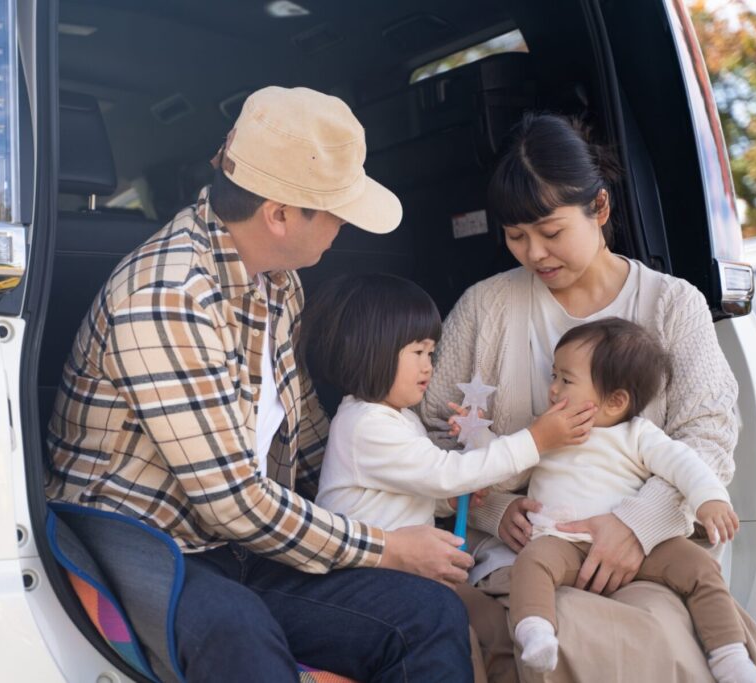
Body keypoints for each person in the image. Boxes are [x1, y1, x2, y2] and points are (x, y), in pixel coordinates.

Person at [47, 86, 475, 682]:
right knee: (239, 633)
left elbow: (310, 436)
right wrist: (386, 547)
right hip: (146, 543)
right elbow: (234, 501)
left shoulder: (279, 283)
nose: (344, 228)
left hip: (245, 544)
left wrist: (428, 479)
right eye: (335, 211)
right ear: (278, 214)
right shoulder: (167, 296)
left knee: (428, 616)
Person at [422, 112, 756, 682]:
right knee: (553, 630)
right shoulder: (485, 308)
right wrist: (495, 509)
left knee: (657, 637)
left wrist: (635, 524)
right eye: (516, 236)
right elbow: (437, 435)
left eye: (550, 231)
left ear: (602, 209)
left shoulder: (670, 305)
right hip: (526, 553)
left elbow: (707, 436)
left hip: (644, 557)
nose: (534, 253)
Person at [296, 272, 598, 682]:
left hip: (407, 577)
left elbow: (420, 489)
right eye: (418, 352)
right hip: (371, 580)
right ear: (374, 351)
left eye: (432, 353)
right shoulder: (365, 424)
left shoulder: (398, 419)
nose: (429, 367)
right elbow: (442, 475)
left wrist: (461, 494)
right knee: (463, 635)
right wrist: (536, 439)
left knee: (496, 628)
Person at [504, 317, 756, 682]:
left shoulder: (639, 435)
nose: (552, 389)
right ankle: (535, 632)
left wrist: (710, 500)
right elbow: (508, 462)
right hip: (562, 537)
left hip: (641, 547)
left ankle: (729, 657)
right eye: (553, 376)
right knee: (532, 562)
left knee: (701, 569)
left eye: (566, 380)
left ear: (615, 402)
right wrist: (477, 444)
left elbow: (685, 463)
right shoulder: (546, 430)